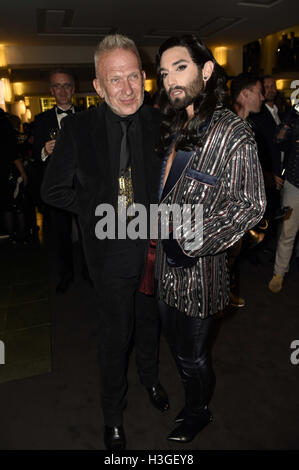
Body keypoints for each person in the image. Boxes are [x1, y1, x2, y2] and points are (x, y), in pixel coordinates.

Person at [41, 34, 168, 450]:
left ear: (144, 78)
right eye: (116, 80)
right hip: (108, 250)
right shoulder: (78, 129)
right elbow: (52, 190)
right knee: (116, 335)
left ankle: (150, 379)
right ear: (98, 86)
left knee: (149, 323)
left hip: (152, 245)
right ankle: (113, 414)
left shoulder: (160, 122)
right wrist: (99, 209)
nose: (128, 89)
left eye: (134, 76)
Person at [154, 34, 266, 443]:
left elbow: (250, 204)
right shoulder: (173, 124)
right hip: (165, 264)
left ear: (205, 70)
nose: (170, 79)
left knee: (193, 353)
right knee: (172, 341)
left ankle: (198, 410)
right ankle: (191, 394)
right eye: (164, 72)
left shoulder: (231, 131)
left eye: (179, 67)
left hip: (201, 271)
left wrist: (191, 239)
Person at [33, 68, 86, 293]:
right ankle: (66, 275)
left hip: (83, 186)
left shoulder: (87, 116)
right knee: (61, 234)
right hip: (58, 188)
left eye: (66, 85)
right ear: (51, 91)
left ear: (73, 90)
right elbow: (35, 153)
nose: (62, 90)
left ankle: (90, 272)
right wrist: (45, 150)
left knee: (88, 232)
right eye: (58, 86)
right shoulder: (41, 120)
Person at [228, 73, 265, 306]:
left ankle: (224, 294)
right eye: (259, 91)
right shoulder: (228, 124)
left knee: (232, 257)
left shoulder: (246, 124)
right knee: (226, 257)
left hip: (239, 204)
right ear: (245, 93)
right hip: (225, 207)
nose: (262, 96)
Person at [268, 104, 299, 292]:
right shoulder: (294, 118)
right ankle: (279, 272)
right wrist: (290, 118)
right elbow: (278, 140)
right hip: (295, 182)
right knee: (288, 230)